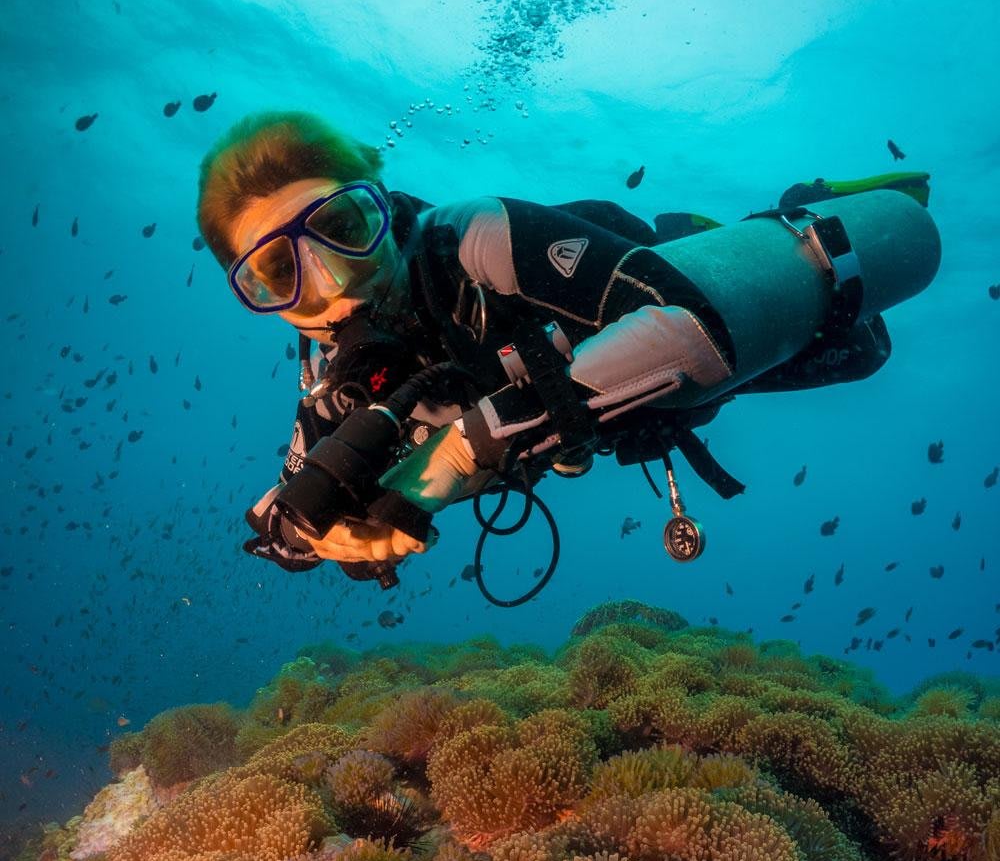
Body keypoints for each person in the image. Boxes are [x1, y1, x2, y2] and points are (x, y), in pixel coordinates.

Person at [196, 111, 937, 581]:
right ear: (261, 302)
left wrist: (462, 454)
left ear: (381, 204)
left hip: (642, 303)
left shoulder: (474, 237)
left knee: (862, 345)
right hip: (616, 412)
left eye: (345, 227)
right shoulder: (332, 382)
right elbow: (290, 523)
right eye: (276, 271)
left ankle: (772, 216)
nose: (330, 278)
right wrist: (319, 535)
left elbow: (693, 330)